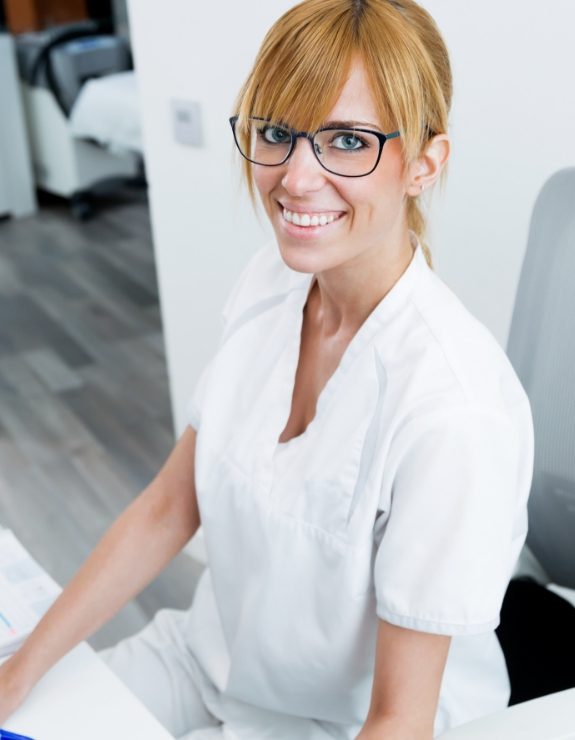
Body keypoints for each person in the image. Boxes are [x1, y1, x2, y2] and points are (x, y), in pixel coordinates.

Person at [0, 1, 534, 738]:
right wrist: (16, 674)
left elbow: (398, 719)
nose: (295, 178)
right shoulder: (271, 283)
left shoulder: (453, 409)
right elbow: (167, 506)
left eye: (347, 140)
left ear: (423, 164)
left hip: (338, 722)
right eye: (277, 133)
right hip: (207, 659)